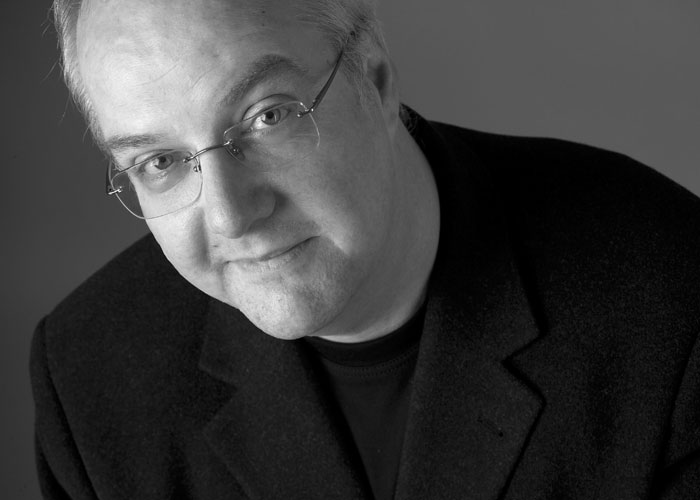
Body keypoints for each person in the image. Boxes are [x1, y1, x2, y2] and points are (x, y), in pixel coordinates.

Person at [31, 0, 700, 498]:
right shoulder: (89, 379)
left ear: (374, 79)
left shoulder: (671, 295)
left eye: (268, 116)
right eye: (159, 162)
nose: (232, 215)